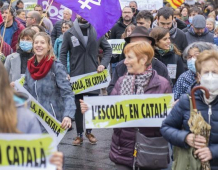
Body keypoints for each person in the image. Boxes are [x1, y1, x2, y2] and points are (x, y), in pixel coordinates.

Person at [82, 41, 172, 169]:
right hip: (123, 150)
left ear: (143, 59)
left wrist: (171, 110)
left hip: (150, 149)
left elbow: (166, 122)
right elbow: (110, 110)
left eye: (129, 58)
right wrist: (90, 109)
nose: (125, 62)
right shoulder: (121, 81)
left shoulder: (163, 84)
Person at [161, 50, 218, 169]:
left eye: (215, 72)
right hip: (192, 164)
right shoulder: (186, 101)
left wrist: (213, 151)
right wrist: (185, 137)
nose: (211, 76)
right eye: (206, 72)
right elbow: (166, 127)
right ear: (198, 76)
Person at [60, 15, 112, 145]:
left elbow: (108, 50)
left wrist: (103, 64)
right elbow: (62, 54)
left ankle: (89, 132)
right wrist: (65, 72)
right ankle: (79, 134)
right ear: (76, 14)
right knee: (78, 105)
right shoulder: (68, 33)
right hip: (76, 75)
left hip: (94, 75)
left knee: (91, 104)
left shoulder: (98, 31)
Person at [24, 32, 75, 132]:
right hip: (32, 119)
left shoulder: (56, 66)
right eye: (36, 42)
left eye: (42, 42)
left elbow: (67, 93)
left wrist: (68, 115)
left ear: (48, 47)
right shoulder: (29, 66)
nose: (39, 45)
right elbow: (26, 91)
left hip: (51, 120)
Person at [107, 26, 171, 95]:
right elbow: (111, 90)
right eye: (133, 43)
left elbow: (168, 96)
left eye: (141, 43)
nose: (137, 46)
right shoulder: (121, 67)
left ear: (149, 43)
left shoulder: (160, 68)